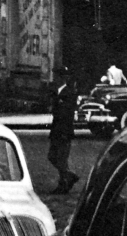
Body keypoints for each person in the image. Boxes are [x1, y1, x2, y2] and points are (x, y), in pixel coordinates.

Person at [48, 66, 79, 195]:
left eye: (56, 76)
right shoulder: (57, 92)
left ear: (62, 78)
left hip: (64, 131)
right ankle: (69, 176)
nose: (54, 78)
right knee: (52, 156)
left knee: (61, 159)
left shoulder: (69, 92)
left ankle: (63, 184)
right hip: (56, 130)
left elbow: (65, 112)